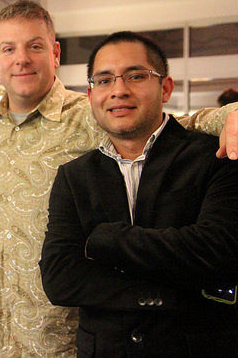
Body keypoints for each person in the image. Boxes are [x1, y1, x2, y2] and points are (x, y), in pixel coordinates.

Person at [0, 0, 238, 356]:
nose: (22, 59)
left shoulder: (92, 113)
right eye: (9, 49)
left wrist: (232, 115)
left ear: (56, 53)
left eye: (35, 46)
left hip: (69, 342)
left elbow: (173, 126)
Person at [40, 31, 238, 356]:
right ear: (90, 95)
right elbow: (60, 278)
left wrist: (108, 240)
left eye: (135, 76)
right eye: (104, 81)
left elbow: (218, 253)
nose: (119, 90)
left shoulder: (213, 158)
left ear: (166, 88)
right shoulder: (74, 176)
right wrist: (166, 291)